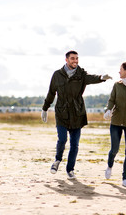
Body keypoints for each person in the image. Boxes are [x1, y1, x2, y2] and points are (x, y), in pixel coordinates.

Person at [41, 50, 112, 180]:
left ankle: (70, 169)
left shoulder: (81, 74)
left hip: (77, 113)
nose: (75, 61)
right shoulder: (57, 75)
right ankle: (57, 161)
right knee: (62, 139)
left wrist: (102, 78)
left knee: (75, 144)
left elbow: (91, 78)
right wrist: (45, 108)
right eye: (73, 58)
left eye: (77, 59)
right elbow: (51, 92)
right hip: (62, 112)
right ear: (66, 60)